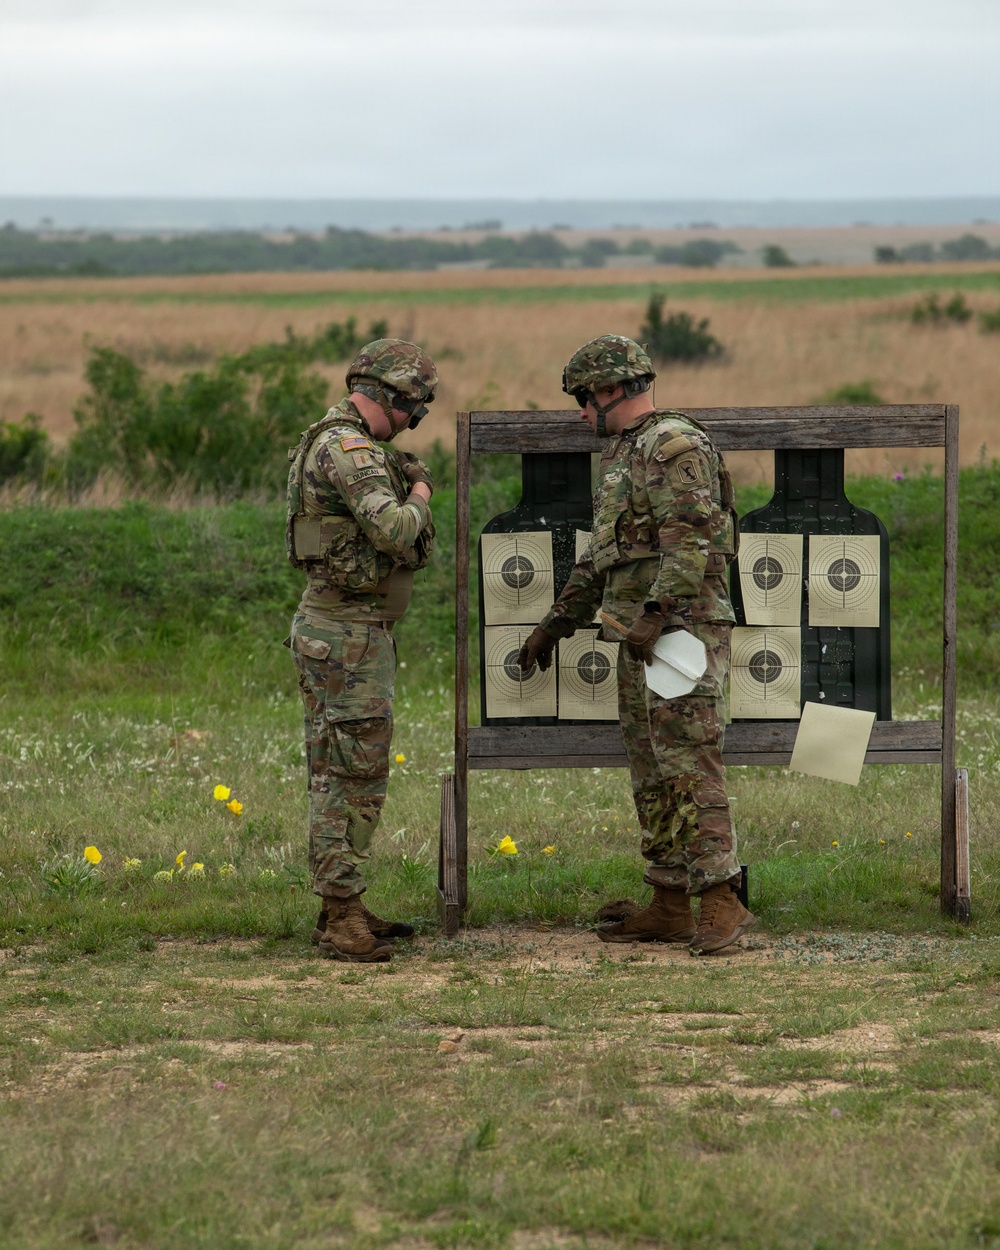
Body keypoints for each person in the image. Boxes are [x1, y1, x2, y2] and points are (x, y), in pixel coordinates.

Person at [518, 334, 755, 954]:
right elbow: (604, 555)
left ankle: (722, 900)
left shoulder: (673, 445)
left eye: (582, 398)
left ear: (612, 389)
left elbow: (691, 535)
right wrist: (554, 624)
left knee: (688, 761)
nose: (579, 412)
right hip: (639, 631)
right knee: (651, 769)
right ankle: (671, 902)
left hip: (681, 632)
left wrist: (658, 610)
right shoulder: (625, 455)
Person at [286, 338, 438, 963]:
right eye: (412, 410)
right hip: (348, 634)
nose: (412, 422)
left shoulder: (326, 439)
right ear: (385, 396)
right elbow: (395, 530)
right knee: (353, 777)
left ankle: (340, 905)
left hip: (342, 630)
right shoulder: (350, 449)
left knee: (337, 769)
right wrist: (421, 493)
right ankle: (344, 914)